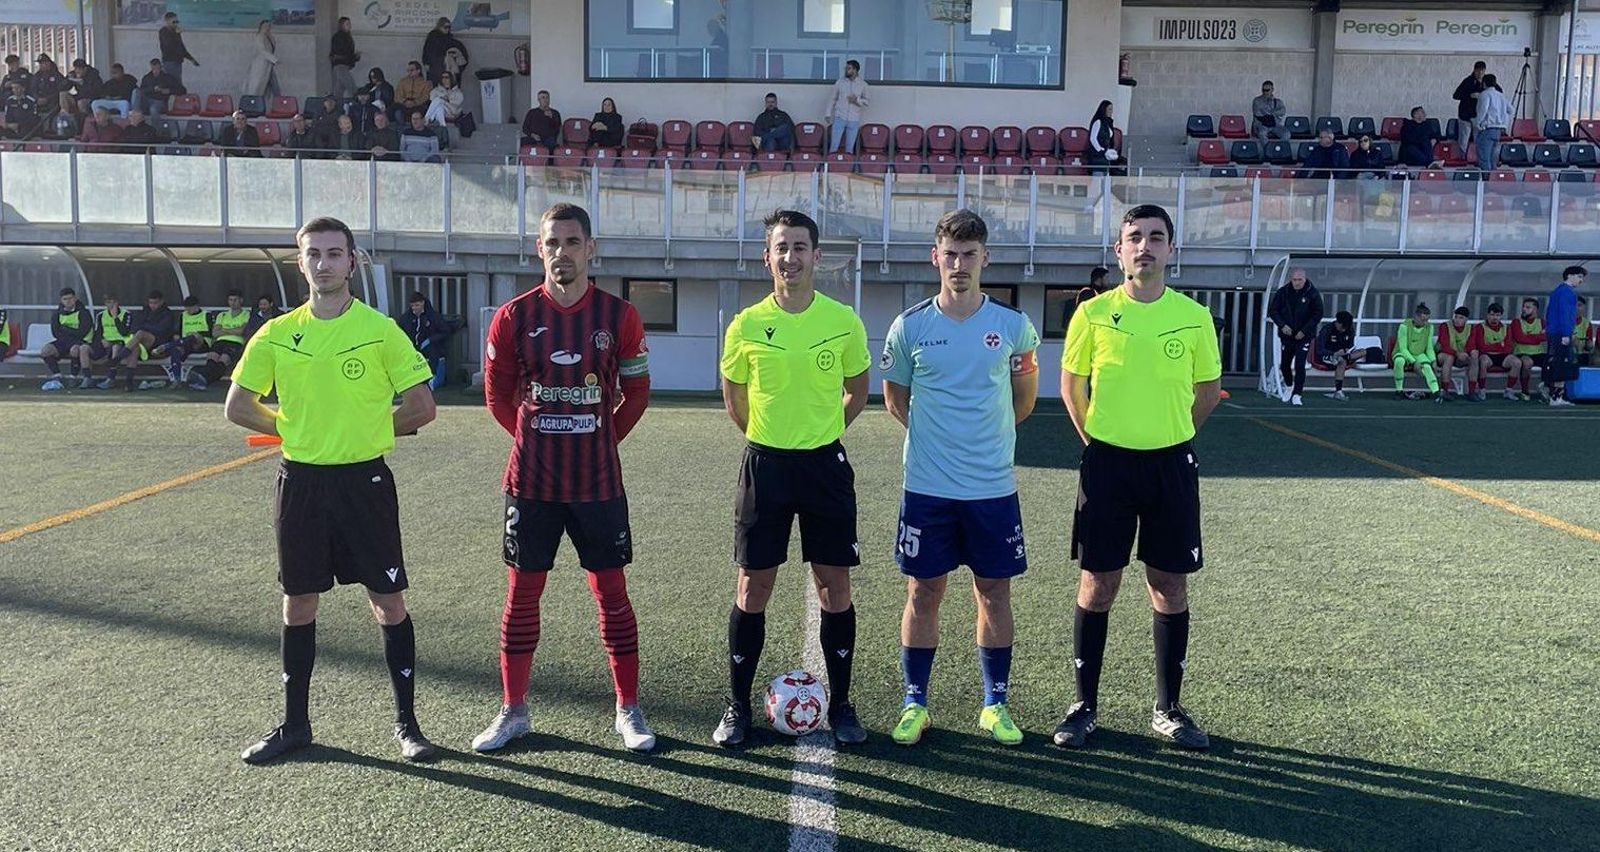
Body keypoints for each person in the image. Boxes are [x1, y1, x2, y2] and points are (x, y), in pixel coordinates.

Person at [228, 216, 438, 765]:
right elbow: (238, 405)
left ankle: (408, 726)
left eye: (335, 254)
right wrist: (293, 428)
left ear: (352, 262)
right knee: (298, 602)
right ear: (301, 263)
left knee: (387, 602)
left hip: (364, 482)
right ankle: (295, 726)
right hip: (300, 483)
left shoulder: (380, 330)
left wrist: (366, 428)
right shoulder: (276, 334)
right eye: (314, 254)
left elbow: (421, 407)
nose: (324, 264)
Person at [476, 203, 656, 754]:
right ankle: (513, 712)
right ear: (539, 249)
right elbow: (497, 395)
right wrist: (536, 441)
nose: (562, 253)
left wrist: (599, 440)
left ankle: (627, 710)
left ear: (590, 249)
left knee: (612, 596)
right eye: (552, 243)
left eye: (573, 242)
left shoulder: (619, 316)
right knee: (522, 596)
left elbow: (638, 394)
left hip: (598, 484)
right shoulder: (511, 316)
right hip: (530, 485)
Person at [1056, 204, 1222, 751]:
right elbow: (1072, 388)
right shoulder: (1093, 314)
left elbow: (1204, 394)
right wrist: (1099, 444)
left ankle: (1168, 708)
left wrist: (1170, 435)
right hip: (1108, 466)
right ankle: (1083, 707)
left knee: (1168, 584)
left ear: (1171, 249)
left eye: (1155, 237)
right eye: (1134, 238)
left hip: (1171, 466)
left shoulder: (1194, 318)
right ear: (1119, 250)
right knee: (1098, 583)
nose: (1144, 247)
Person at [880, 209, 1040, 747]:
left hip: (992, 488)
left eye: (970, 254)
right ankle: (914, 703)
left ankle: (995, 705)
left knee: (993, 592)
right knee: (923, 590)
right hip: (927, 487)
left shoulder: (1013, 326)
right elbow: (896, 400)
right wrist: (939, 441)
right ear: (936, 258)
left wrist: (982, 443)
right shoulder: (910, 326)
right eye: (950, 254)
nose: (959, 264)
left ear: (985, 259)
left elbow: (1023, 401)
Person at [714, 209, 870, 748]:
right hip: (766, 467)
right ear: (767, 256)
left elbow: (858, 387)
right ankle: (737, 707)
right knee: (754, 585)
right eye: (781, 247)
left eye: (800, 247)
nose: (790, 257)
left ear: (816, 256)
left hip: (825, 467)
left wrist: (821, 432)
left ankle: (843, 705)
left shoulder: (843, 320)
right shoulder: (747, 325)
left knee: (835, 585)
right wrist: (768, 436)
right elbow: (733, 396)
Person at [1268, 268, 1323, 405]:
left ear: (1304, 279)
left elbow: (1318, 313)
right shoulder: (1283, 292)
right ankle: (1289, 385)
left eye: (1300, 280)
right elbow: (1273, 310)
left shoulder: (1312, 293)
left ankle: (1297, 394)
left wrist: (1304, 331)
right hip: (1287, 335)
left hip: (1304, 336)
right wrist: (1282, 325)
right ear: (1290, 279)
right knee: (1285, 364)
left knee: (1300, 364)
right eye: (1294, 280)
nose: (1297, 283)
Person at [186, 290, 251, 390]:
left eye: (235, 300)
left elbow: (241, 331)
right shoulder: (222, 315)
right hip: (220, 341)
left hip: (235, 342)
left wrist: (223, 329)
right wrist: (232, 330)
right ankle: (203, 380)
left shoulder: (246, 315)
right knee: (211, 359)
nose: (232, 302)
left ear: (241, 300)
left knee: (223, 360)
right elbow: (215, 333)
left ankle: (202, 377)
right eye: (230, 300)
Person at [121, 289, 179, 391]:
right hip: (143, 345)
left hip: (159, 345)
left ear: (161, 301)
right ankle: (128, 383)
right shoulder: (145, 311)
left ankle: (120, 356)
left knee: (141, 333)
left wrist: (146, 327)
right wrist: (148, 327)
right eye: (150, 302)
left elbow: (161, 330)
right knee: (135, 349)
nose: (152, 305)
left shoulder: (168, 314)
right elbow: (136, 326)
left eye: (155, 303)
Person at [1543, 266, 1584, 406]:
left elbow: (1549, 312)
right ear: (1570, 275)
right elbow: (1566, 315)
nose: (1581, 280)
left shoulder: (1557, 291)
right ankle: (1556, 397)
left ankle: (1553, 393)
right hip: (1561, 333)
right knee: (1562, 364)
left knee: (1555, 362)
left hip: (1553, 332)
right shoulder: (1568, 293)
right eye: (1579, 276)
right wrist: (1567, 334)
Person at [39, 288, 93, 391]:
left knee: (75, 349)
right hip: (64, 342)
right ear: (61, 300)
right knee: (46, 350)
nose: (68, 301)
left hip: (80, 342)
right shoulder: (57, 314)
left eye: (70, 298)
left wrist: (66, 329)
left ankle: (73, 377)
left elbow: (82, 333)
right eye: (65, 299)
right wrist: (71, 332)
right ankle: (57, 375)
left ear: (75, 298)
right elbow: (55, 332)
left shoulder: (83, 313)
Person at [153, 294, 212, 384]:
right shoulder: (183, 315)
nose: (188, 310)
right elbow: (179, 331)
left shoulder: (206, 314)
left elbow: (212, 332)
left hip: (202, 344)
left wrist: (198, 333)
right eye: (186, 308)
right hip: (186, 343)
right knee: (176, 350)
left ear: (196, 306)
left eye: (190, 308)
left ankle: (166, 346)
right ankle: (176, 380)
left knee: (194, 336)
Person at [395, 292, 450, 389]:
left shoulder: (433, 316)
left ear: (423, 303)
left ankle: (432, 376)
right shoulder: (406, 318)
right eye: (412, 306)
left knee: (433, 350)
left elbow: (444, 331)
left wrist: (430, 339)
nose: (415, 308)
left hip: (429, 345)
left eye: (417, 305)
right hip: (412, 346)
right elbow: (400, 331)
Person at [1314, 310, 1373, 401]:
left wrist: (1346, 351)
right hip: (1328, 356)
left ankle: (1346, 357)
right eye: (1342, 328)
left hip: (1344, 355)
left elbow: (1350, 345)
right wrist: (1334, 354)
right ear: (1337, 323)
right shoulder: (1327, 329)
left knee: (1363, 351)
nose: (1343, 330)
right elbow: (1319, 350)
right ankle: (1338, 392)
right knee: (1342, 361)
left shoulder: (1350, 330)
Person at [1391, 303, 1442, 402]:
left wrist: (1433, 360)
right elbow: (1403, 348)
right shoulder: (1404, 326)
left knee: (1427, 367)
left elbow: (1429, 348)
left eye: (1427, 320)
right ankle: (1399, 391)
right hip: (1403, 353)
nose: (1425, 322)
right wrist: (1414, 362)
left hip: (1419, 354)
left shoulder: (1429, 327)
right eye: (1423, 320)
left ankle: (1436, 391)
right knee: (1399, 361)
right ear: (1415, 317)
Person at [80, 295, 132, 389]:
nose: (111, 305)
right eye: (108, 302)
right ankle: (87, 378)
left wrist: (115, 318)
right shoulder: (100, 315)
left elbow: (124, 332)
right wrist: (102, 340)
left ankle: (110, 379)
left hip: (120, 343)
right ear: (105, 304)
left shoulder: (126, 314)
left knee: (115, 348)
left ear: (117, 303)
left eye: (113, 302)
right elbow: (97, 333)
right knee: (84, 348)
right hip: (104, 343)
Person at [1476, 302, 1521, 401]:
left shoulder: (1506, 328)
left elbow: (1508, 348)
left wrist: (1492, 345)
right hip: (1487, 356)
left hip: (1503, 357)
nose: (1494, 318)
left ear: (1501, 316)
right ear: (1487, 315)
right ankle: (1482, 390)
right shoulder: (1480, 327)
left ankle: (1509, 390)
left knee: (1517, 362)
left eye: (1497, 315)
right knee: (1483, 361)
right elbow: (1482, 347)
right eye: (1492, 315)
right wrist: (1499, 345)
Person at [1435, 306, 1481, 400]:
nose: (1457, 320)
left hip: (1460, 356)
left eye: (1461, 318)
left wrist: (1467, 354)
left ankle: (1472, 391)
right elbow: (1444, 345)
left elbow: (1471, 345)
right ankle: (1444, 390)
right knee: (1449, 357)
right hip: (1443, 355)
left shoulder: (1470, 329)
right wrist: (1457, 353)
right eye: (1456, 317)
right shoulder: (1445, 326)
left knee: (1474, 355)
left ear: (1466, 319)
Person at [825, 59, 869, 154]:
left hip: (854, 119)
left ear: (855, 70)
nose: (846, 70)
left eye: (848, 68)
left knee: (849, 148)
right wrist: (828, 113)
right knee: (834, 146)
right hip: (839, 117)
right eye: (846, 68)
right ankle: (831, 167)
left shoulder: (863, 84)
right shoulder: (840, 83)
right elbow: (832, 98)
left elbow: (866, 102)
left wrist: (856, 100)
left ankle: (848, 167)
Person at [1509, 297, 1547, 400]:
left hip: (1538, 353)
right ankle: (1525, 391)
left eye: (1527, 307)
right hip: (1522, 352)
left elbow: (1545, 337)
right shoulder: (1516, 322)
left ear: (1535, 310)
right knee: (1527, 362)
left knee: (1551, 361)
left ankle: (1546, 388)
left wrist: (1528, 337)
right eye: (1523, 307)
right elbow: (1520, 338)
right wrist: (1537, 337)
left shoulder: (1542, 322)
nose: (1524, 309)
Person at [1474, 73, 1509, 173]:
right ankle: (1493, 180)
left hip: (1487, 128)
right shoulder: (1501, 95)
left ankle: (1486, 182)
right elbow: (1510, 110)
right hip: (1498, 130)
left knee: (1484, 158)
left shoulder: (1484, 94)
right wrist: (1504, 122)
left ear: (1484, 83)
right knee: (1492, 158)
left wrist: (1477, 123)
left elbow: (1483, 110)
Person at [1062, 267, 1111, 332]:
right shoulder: (1087, 293)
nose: (1108, 281)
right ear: (1099, 279)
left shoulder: (1097, 293)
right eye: (1106, 278)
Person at [422, 17, 467, 85]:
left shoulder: (449, 39)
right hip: (436, 67)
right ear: (439, 27)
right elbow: (427, 51)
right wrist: (426, 63)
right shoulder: (433, 37)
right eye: (445, 27)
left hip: (447, 67)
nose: (447, 29)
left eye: (449, 27)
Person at [1452, 61, 1487, 149]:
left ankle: (1475, 159)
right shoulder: (1467, 81)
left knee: (1478, 140)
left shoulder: (1487, 81)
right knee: (1463, 140)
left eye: (1482, 71)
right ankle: (1462, 159)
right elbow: (1456, 95)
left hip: (1479, 117)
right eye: (1478, 71)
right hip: (1465, 115)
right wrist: (1469, 95)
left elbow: (1497, 91)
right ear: (1474, 70)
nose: (1480, 73)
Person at [1086, 99, 1124, 174]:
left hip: (1107, 156)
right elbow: (1093, 138)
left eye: (1112, 109)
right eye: (1109, 109)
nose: (1111, 111)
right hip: (1098, 157)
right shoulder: (1098, 122)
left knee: (1106, 178)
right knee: (1098, 178)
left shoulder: (1108, 123)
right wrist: (1100, 150)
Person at [243, 20, 279, 98]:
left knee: (273, 87)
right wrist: (275, 60)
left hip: (269, 66)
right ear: (261, 27)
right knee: (257, 87)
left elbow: (273, 47)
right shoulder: (260, 37)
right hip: (261, 65)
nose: (267, 28)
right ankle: (252, 103)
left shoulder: (269, 37)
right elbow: (262, 51)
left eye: (269, 26)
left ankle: (278, 102)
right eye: (265, 26)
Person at [330, 17, 360, 99]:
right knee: (351, 87)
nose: (349, 26)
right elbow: (342, 52)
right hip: (340, 65)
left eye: (349, 24)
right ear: (342, 25)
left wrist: (354, 56)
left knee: (339, 88)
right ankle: (355, 104)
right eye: (347, 24)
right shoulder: (339, 37)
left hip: (344, 65)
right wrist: (353, 56)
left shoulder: (347, 37)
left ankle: (336, 105)